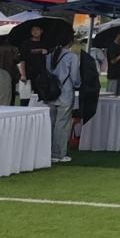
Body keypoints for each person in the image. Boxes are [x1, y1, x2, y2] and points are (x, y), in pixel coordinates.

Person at [45, 36, 82, 164]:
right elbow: (75, 77)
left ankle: (48, 151)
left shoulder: (49, 56)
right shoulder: (72, 57)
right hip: (65, 93)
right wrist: (78, 85)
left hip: (50, 94)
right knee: (62, 125)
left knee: (51, 123)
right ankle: (58, 153)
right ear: (70, 43)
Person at [105, 32, 120, 96]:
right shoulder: (112, 46)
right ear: (118, 35)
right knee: (111, 96)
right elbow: (112, 61)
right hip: (113, 76)